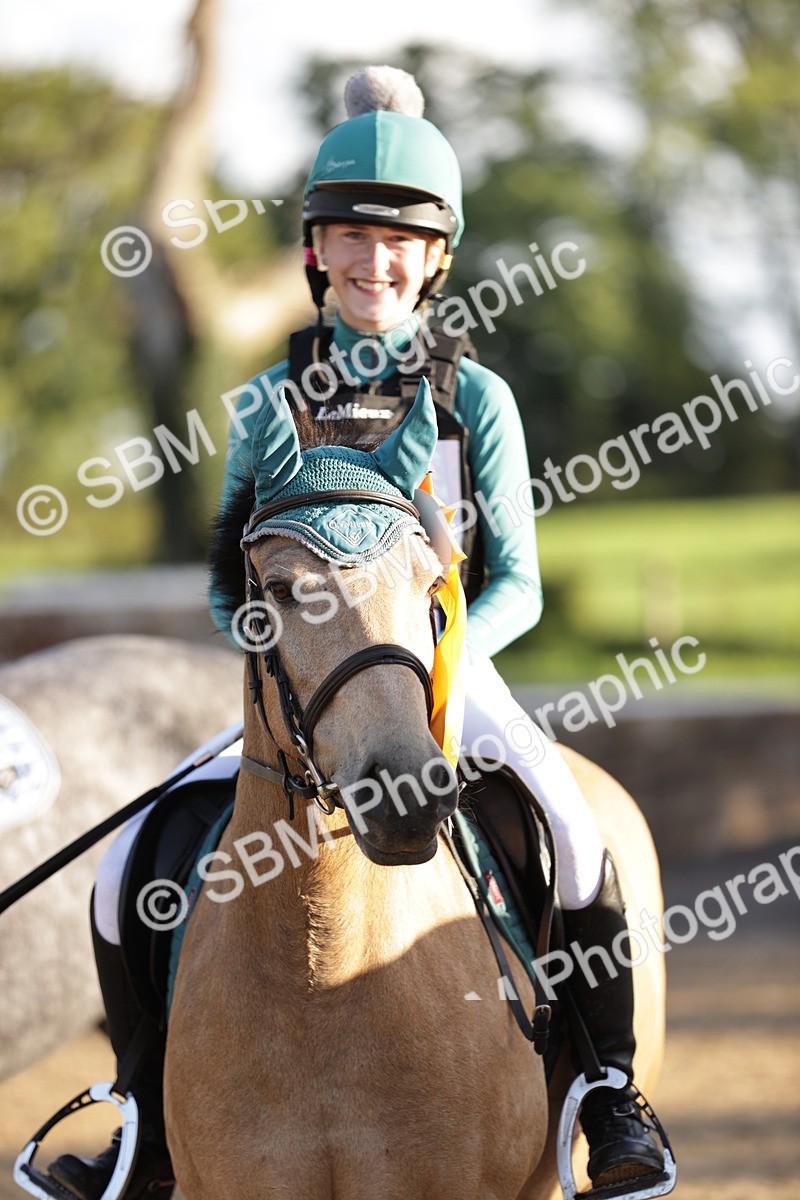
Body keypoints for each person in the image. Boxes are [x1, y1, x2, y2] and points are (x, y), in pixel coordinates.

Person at [47, 65, 668, 1200]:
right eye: (352, 237)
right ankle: (144, 1114)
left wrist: (433, 662)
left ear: (435, 260)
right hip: (302, 690)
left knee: (576, 836)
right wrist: (292, 665)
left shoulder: (473, 398)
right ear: (315, 250)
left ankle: (608, 1092)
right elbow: (227, 582)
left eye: (401, 243)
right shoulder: (264, 405)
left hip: (441, 671)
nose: (376, 261)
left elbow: (517, 582)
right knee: (122, 870)